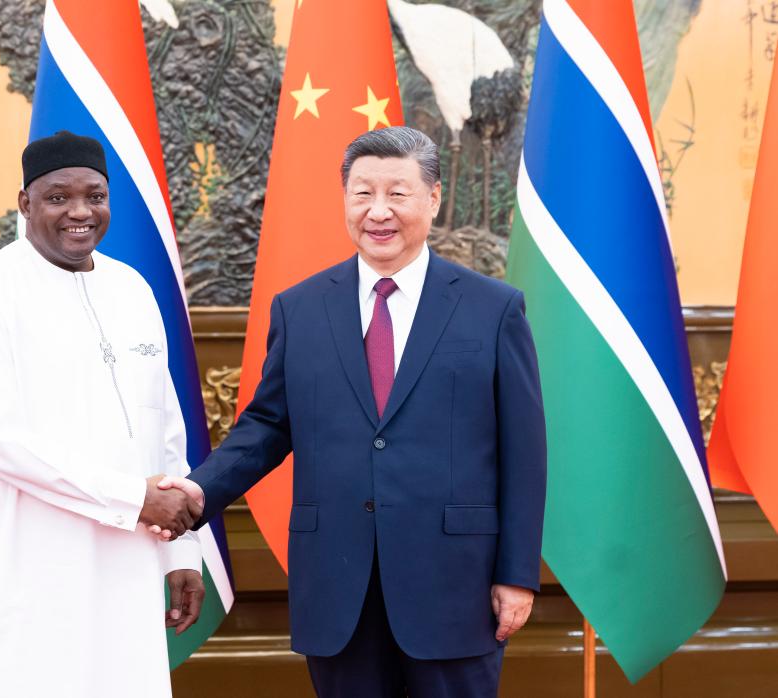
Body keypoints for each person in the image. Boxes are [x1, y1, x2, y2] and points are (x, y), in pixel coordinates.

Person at [159, 126, 547, 697]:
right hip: (338, 585)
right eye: (363, 193)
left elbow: (524, 452)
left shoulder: (493, 309)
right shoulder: (301, 309)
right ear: (345, 200)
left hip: (454, 586)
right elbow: (267, 426)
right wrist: (196, 493)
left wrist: (516, 575)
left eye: (398, 193)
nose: (379, 211)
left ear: (434, 198)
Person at [0, 131, 205, 697]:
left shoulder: (133, 289)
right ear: (25, 204)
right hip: (26, 571)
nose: (80, 212)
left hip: (128, 566)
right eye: (59, 197)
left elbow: (165, 431)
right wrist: (133, 498)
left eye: (95, 195)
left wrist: (180, 547)